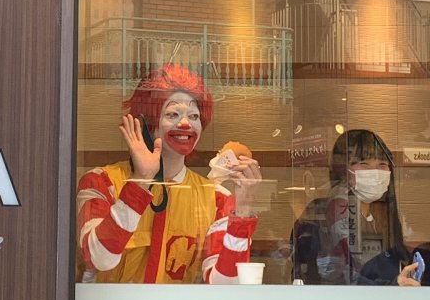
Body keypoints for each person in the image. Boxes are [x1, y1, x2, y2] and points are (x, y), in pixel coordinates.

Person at [77, 64, 262, 283]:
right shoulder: (101, 181)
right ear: (147, 122)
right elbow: (99, 258)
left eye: (194, 116)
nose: (185, 123)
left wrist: (243, 210)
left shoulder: (217, 198)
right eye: (172, 114)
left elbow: (224, 283)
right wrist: (140, 182)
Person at [292, 128, 417, 285]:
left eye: (382, 164)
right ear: (344, 169)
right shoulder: (339, 206)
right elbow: (347, 272)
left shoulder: (381, 209)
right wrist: (392, 285)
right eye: (364, 163)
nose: (375, 171)